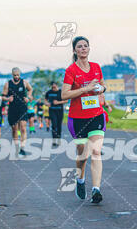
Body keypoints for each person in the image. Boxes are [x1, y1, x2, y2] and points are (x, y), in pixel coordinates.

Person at [61, 36, 107, 203]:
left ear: (89, 49)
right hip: (77, 118)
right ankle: (80, 180)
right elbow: (64, 94)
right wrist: (85, 89)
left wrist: (100, 89)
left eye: (85, 46)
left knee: (95, 151)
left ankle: (96, 190)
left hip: (96, 115)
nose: (83, 49)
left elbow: (102, 86)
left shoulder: (96, 67)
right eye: (79, 46)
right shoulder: (71, 71)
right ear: (74, 50)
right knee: (83, 155)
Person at [2, 67, 33, 156]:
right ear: (12, 75)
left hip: (22, 107)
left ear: (20, 74)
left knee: (23, 128)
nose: (16, 76)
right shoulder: (8, 84)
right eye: (15, 75)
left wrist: (28, 97)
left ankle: (22, 148)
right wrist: (8, 98)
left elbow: (30, 89)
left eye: (18, 75)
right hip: (13, 108)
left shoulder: (24, 82)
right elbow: (3, 97)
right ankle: (16, 147)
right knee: (15, 129)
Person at [45, 81, 67, 147]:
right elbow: (45, 100)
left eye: (55, 87)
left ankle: (59, 139)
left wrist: (58, 102)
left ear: (57, 86)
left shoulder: (61, 92)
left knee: (59, 125)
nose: (53, 88)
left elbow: (66, 100)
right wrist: (47, 103)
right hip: (52, 110)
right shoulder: (49, 92)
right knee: (54, 125)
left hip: (59, 110)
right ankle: (54, 140)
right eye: (52, 87)